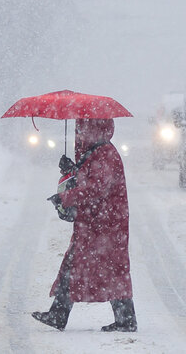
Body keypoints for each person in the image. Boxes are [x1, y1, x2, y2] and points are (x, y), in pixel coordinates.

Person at [32, 118, 137, 332]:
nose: (79, 133)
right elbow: (89, 180)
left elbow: (96, 188)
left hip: (105, 225)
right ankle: (60, 314)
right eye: (78, 128)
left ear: (95, 129)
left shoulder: (105, 153)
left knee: (107, 269)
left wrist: (66, 198)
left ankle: (123, 319)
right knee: (91, 266)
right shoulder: (96, 151)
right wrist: (71, 169)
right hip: (97, 223)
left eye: (82, 128)